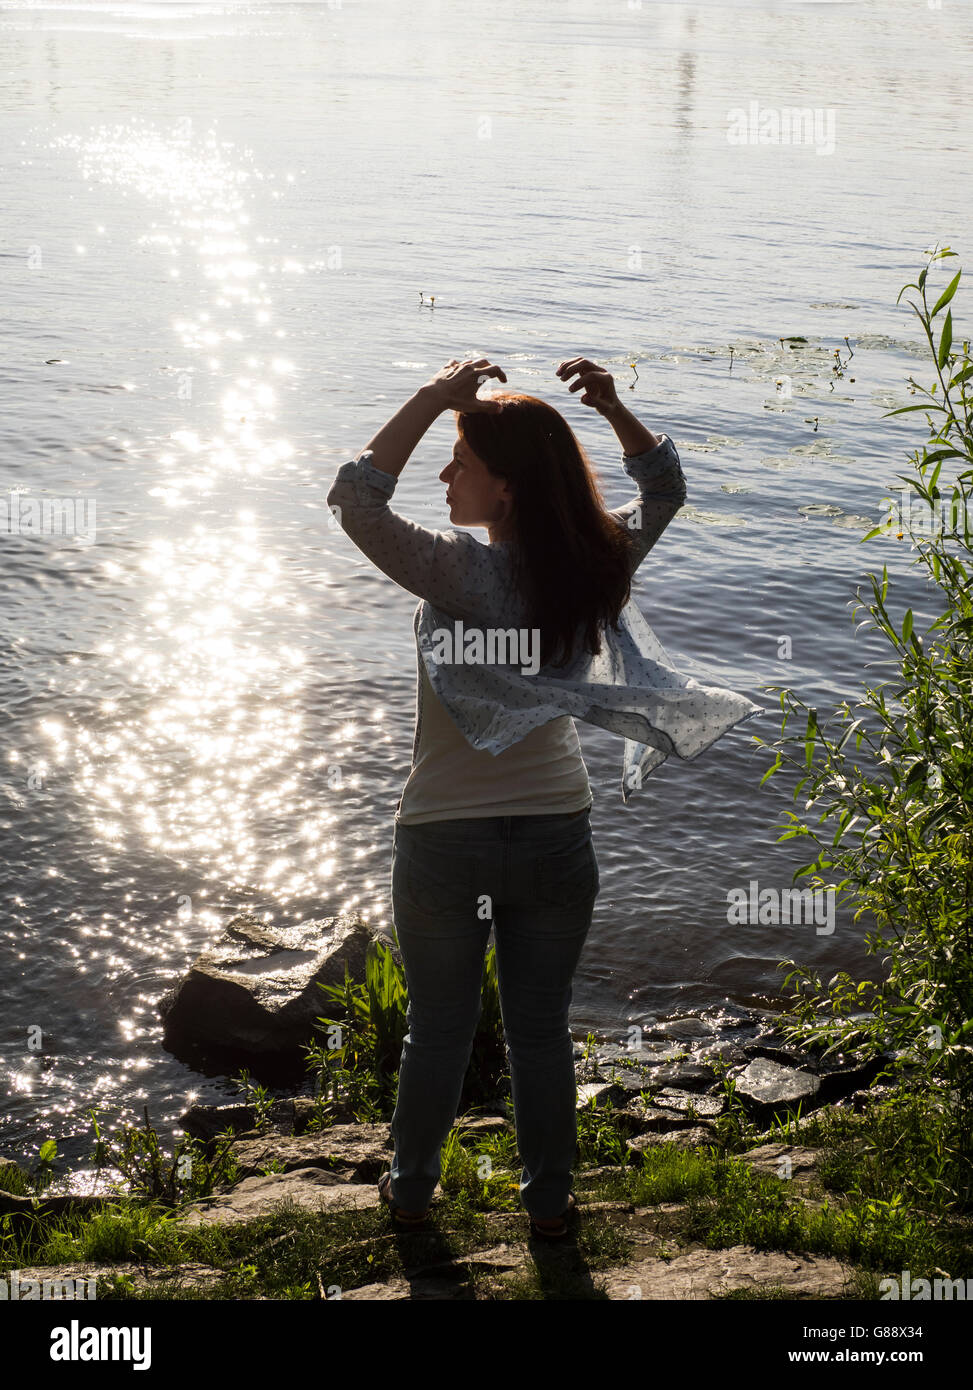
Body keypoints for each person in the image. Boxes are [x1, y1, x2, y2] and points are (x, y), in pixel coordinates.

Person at [326, 357, 762, 1239]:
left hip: (445, 837)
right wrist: (613, 409)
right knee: (538, 1032)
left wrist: (429, 397)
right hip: (556, 835)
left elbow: (355, 499)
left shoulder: (457, 573)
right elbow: (665, 489)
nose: (447, 475)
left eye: (461, 463)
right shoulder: (594, 565)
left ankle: (411, 1199)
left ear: (509, 489)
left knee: (438, 1033)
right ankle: (551, 1206)